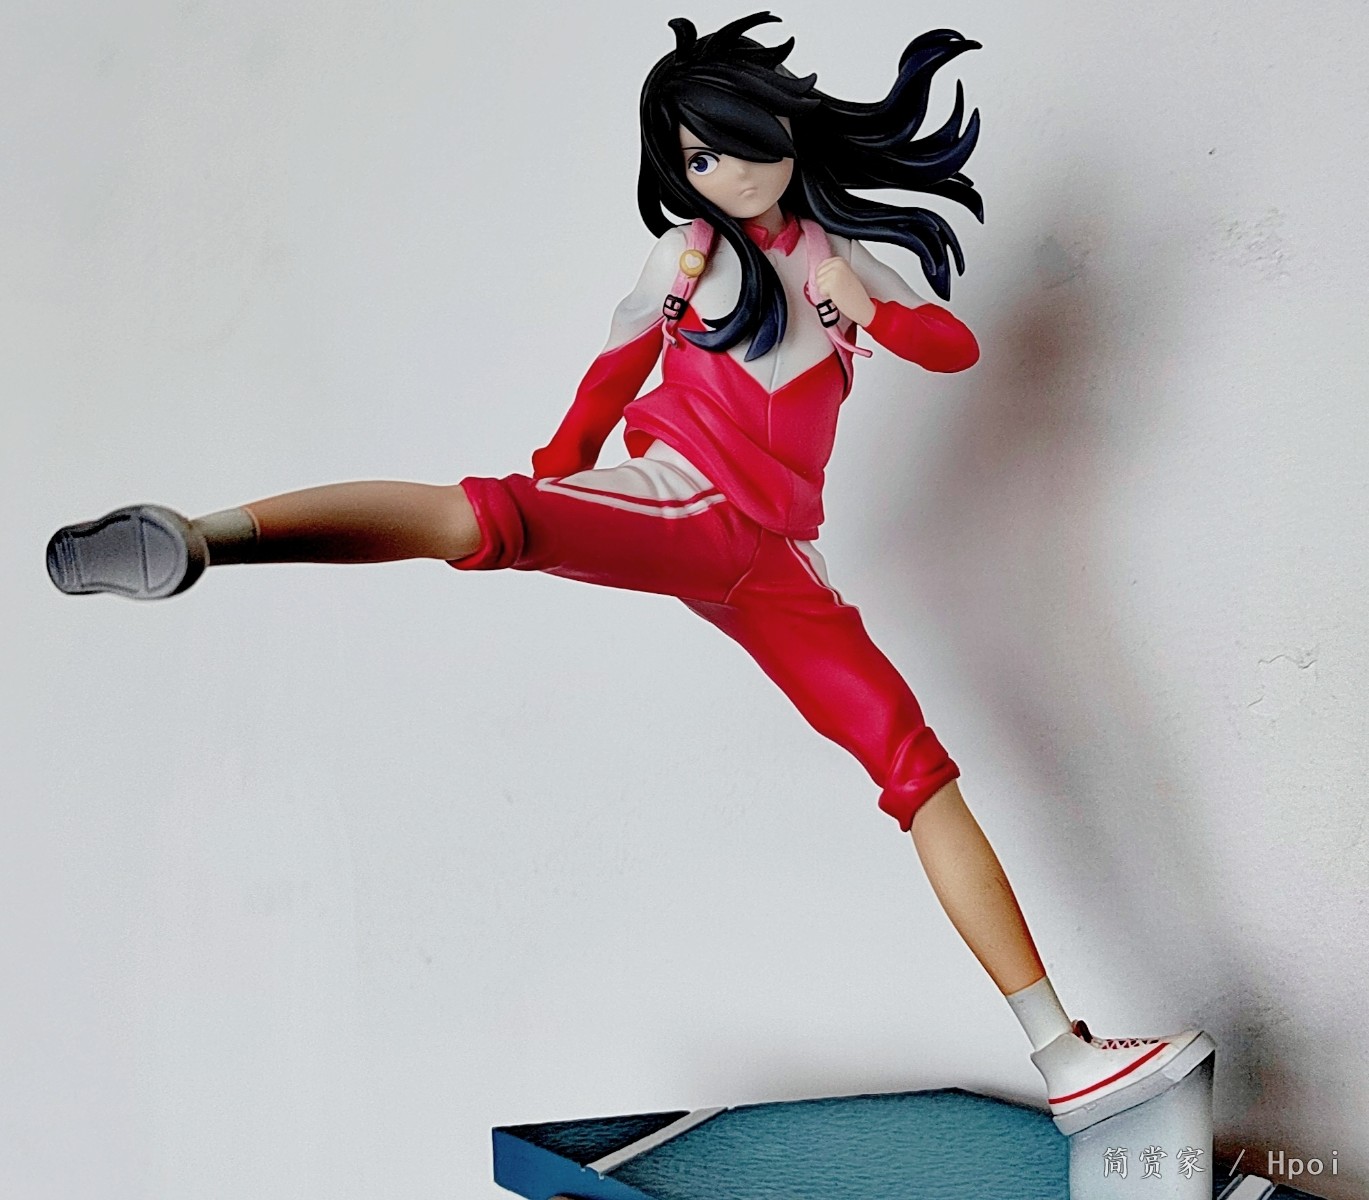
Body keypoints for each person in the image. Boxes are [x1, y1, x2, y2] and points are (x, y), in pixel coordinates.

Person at [46, 12, 1209, 1131]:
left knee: (917, 772)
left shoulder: (832, 258)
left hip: (778, 563)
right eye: (698, 158)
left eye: (735, 146)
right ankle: (201, 537)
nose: (725, 174)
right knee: (482, 518)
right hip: (681, 504)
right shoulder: (685, 258)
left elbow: (951, 347)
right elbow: (611, 375)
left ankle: (1063, 1057)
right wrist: (558, 479)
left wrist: (868, 309)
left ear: (782, 128)